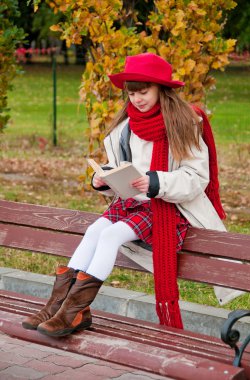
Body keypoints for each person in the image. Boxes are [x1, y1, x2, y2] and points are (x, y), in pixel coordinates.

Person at [22, 52, 237, 337]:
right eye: (131, 93)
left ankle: (71, 313)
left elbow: (197, 178)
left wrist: (155, 182)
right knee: (95, 230)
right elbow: (123, 168)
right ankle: (58, 307)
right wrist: (103, 179)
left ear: (162, 88)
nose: (136, 99)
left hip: (166, 208)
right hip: (131, 203)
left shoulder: (185, 123)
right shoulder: (127, 126)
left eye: (143, 91)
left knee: (110, 235)